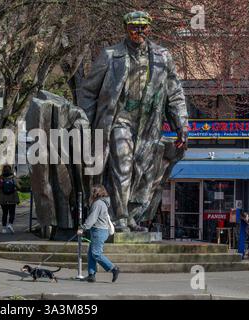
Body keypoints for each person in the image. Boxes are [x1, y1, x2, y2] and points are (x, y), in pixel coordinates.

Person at [77, 11, 188, 231]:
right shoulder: (111, 55)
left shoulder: (163, 57)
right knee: (123, 163)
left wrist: (181, 125)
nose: (139, 31)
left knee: (143, 170)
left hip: (148, 123)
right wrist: (87, 124)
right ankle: (120, 216)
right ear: (126, 28)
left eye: (143, 27)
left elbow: (174, 93)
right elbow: (88, 92)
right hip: (119, 118)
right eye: (134, 27)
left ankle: (131, 216)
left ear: (149, 28)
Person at [77, 185, 120, 283]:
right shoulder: (102, 203)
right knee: (91, 254)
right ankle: (91, 275)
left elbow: (92, 218)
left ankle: (113, 268)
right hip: (100, 230)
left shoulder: (98, 203)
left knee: (96, 253)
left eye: (93, 191)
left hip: (98, 231)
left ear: (97, 193)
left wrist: (82, 228)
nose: (91, 193)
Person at [0, 165, 20, 234]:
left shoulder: (1, 177)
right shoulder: (13, 177)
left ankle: (3, 228)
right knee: (12, 213)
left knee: (4, 213)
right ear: (10, 170)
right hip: (12, 198)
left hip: (3, 198)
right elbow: (18, 186)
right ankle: (10, 224)